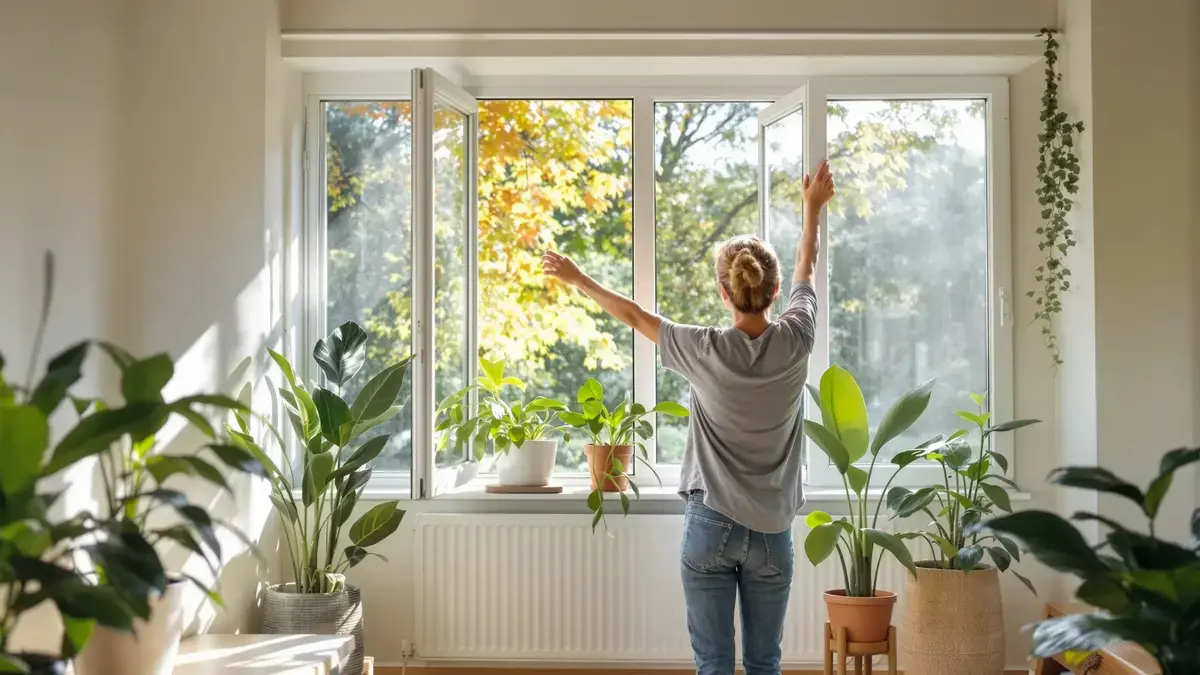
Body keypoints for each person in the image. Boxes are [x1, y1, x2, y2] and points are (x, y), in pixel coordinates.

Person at [542, 159, 836, 675]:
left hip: (711, 526)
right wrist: (811, 208)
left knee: (713, 664)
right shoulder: (796, 338)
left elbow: (633, 315)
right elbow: (805, 271)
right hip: (772, 533)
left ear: (725, 294)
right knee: (766, 664)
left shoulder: (702, 348)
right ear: (772, 294)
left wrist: (577, 277)